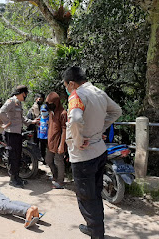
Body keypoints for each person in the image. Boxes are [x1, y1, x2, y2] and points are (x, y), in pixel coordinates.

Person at [62, 66, 122, 239]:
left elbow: (75, 119)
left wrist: (79, 140)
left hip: (84, 156)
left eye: (67, 85)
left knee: (86, 197)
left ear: (71, 83)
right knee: (95, 193)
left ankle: (96, 233)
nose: (67, 89)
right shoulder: (99, 93)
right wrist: (99, 128)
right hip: (99, 151)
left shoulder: (77, 95)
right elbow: (116, 111)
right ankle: (94, 227)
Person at [0, 85, 38, 188]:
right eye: (26, 94)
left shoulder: (18, 103)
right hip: (10, 133)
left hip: (17, 133)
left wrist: (31, 122)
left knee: (17, 156)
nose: (26, 96)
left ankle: (17, 177)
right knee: (12, 157)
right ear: (22, 93)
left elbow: (21, 118)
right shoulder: (11, 101)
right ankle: (12, 179)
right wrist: (7, 122)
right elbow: (1, 112)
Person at [45, 92, 67, 189]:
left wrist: (62, 145)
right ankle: (55, 176)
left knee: (59, 161)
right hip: (51, 142)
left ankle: (60, 181)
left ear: (56, 102)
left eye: (51, 104)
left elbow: (64, 129)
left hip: (58, 142)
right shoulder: (51, 113)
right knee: (48, 160)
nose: (49, 106)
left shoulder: (63, 113)